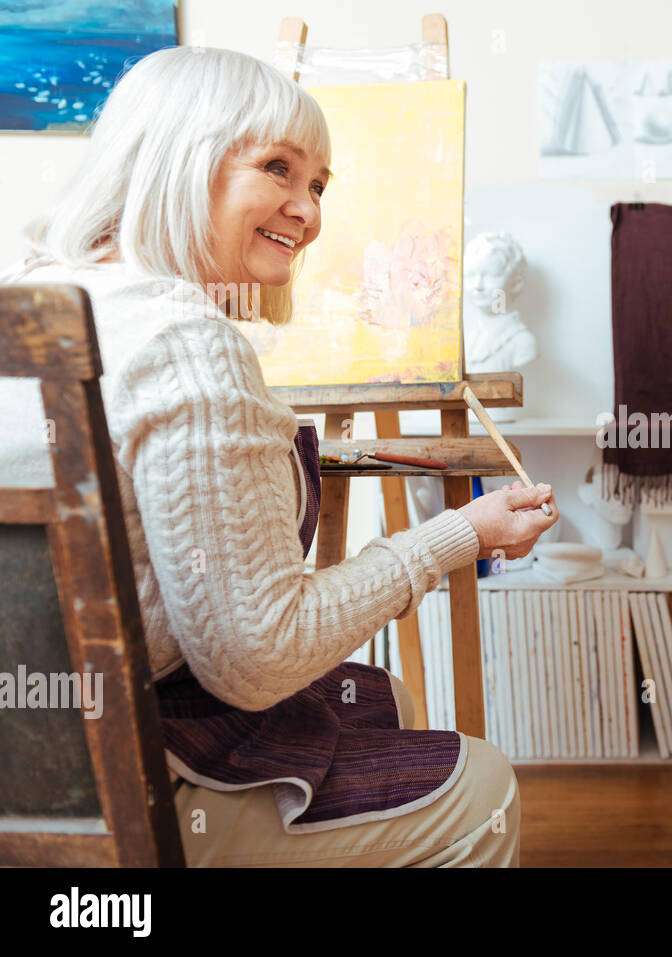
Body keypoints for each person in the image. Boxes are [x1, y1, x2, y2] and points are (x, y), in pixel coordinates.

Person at [1, 45, 558, 866]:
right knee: (482, 786)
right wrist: (461, 535)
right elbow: (256, 660)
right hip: (104, 783)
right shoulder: (185, 342)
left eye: (319, 185)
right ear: (178, 157)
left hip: (26, 751)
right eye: (277, 169)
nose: (308, 211)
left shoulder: (39, 298)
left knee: (374, 696)